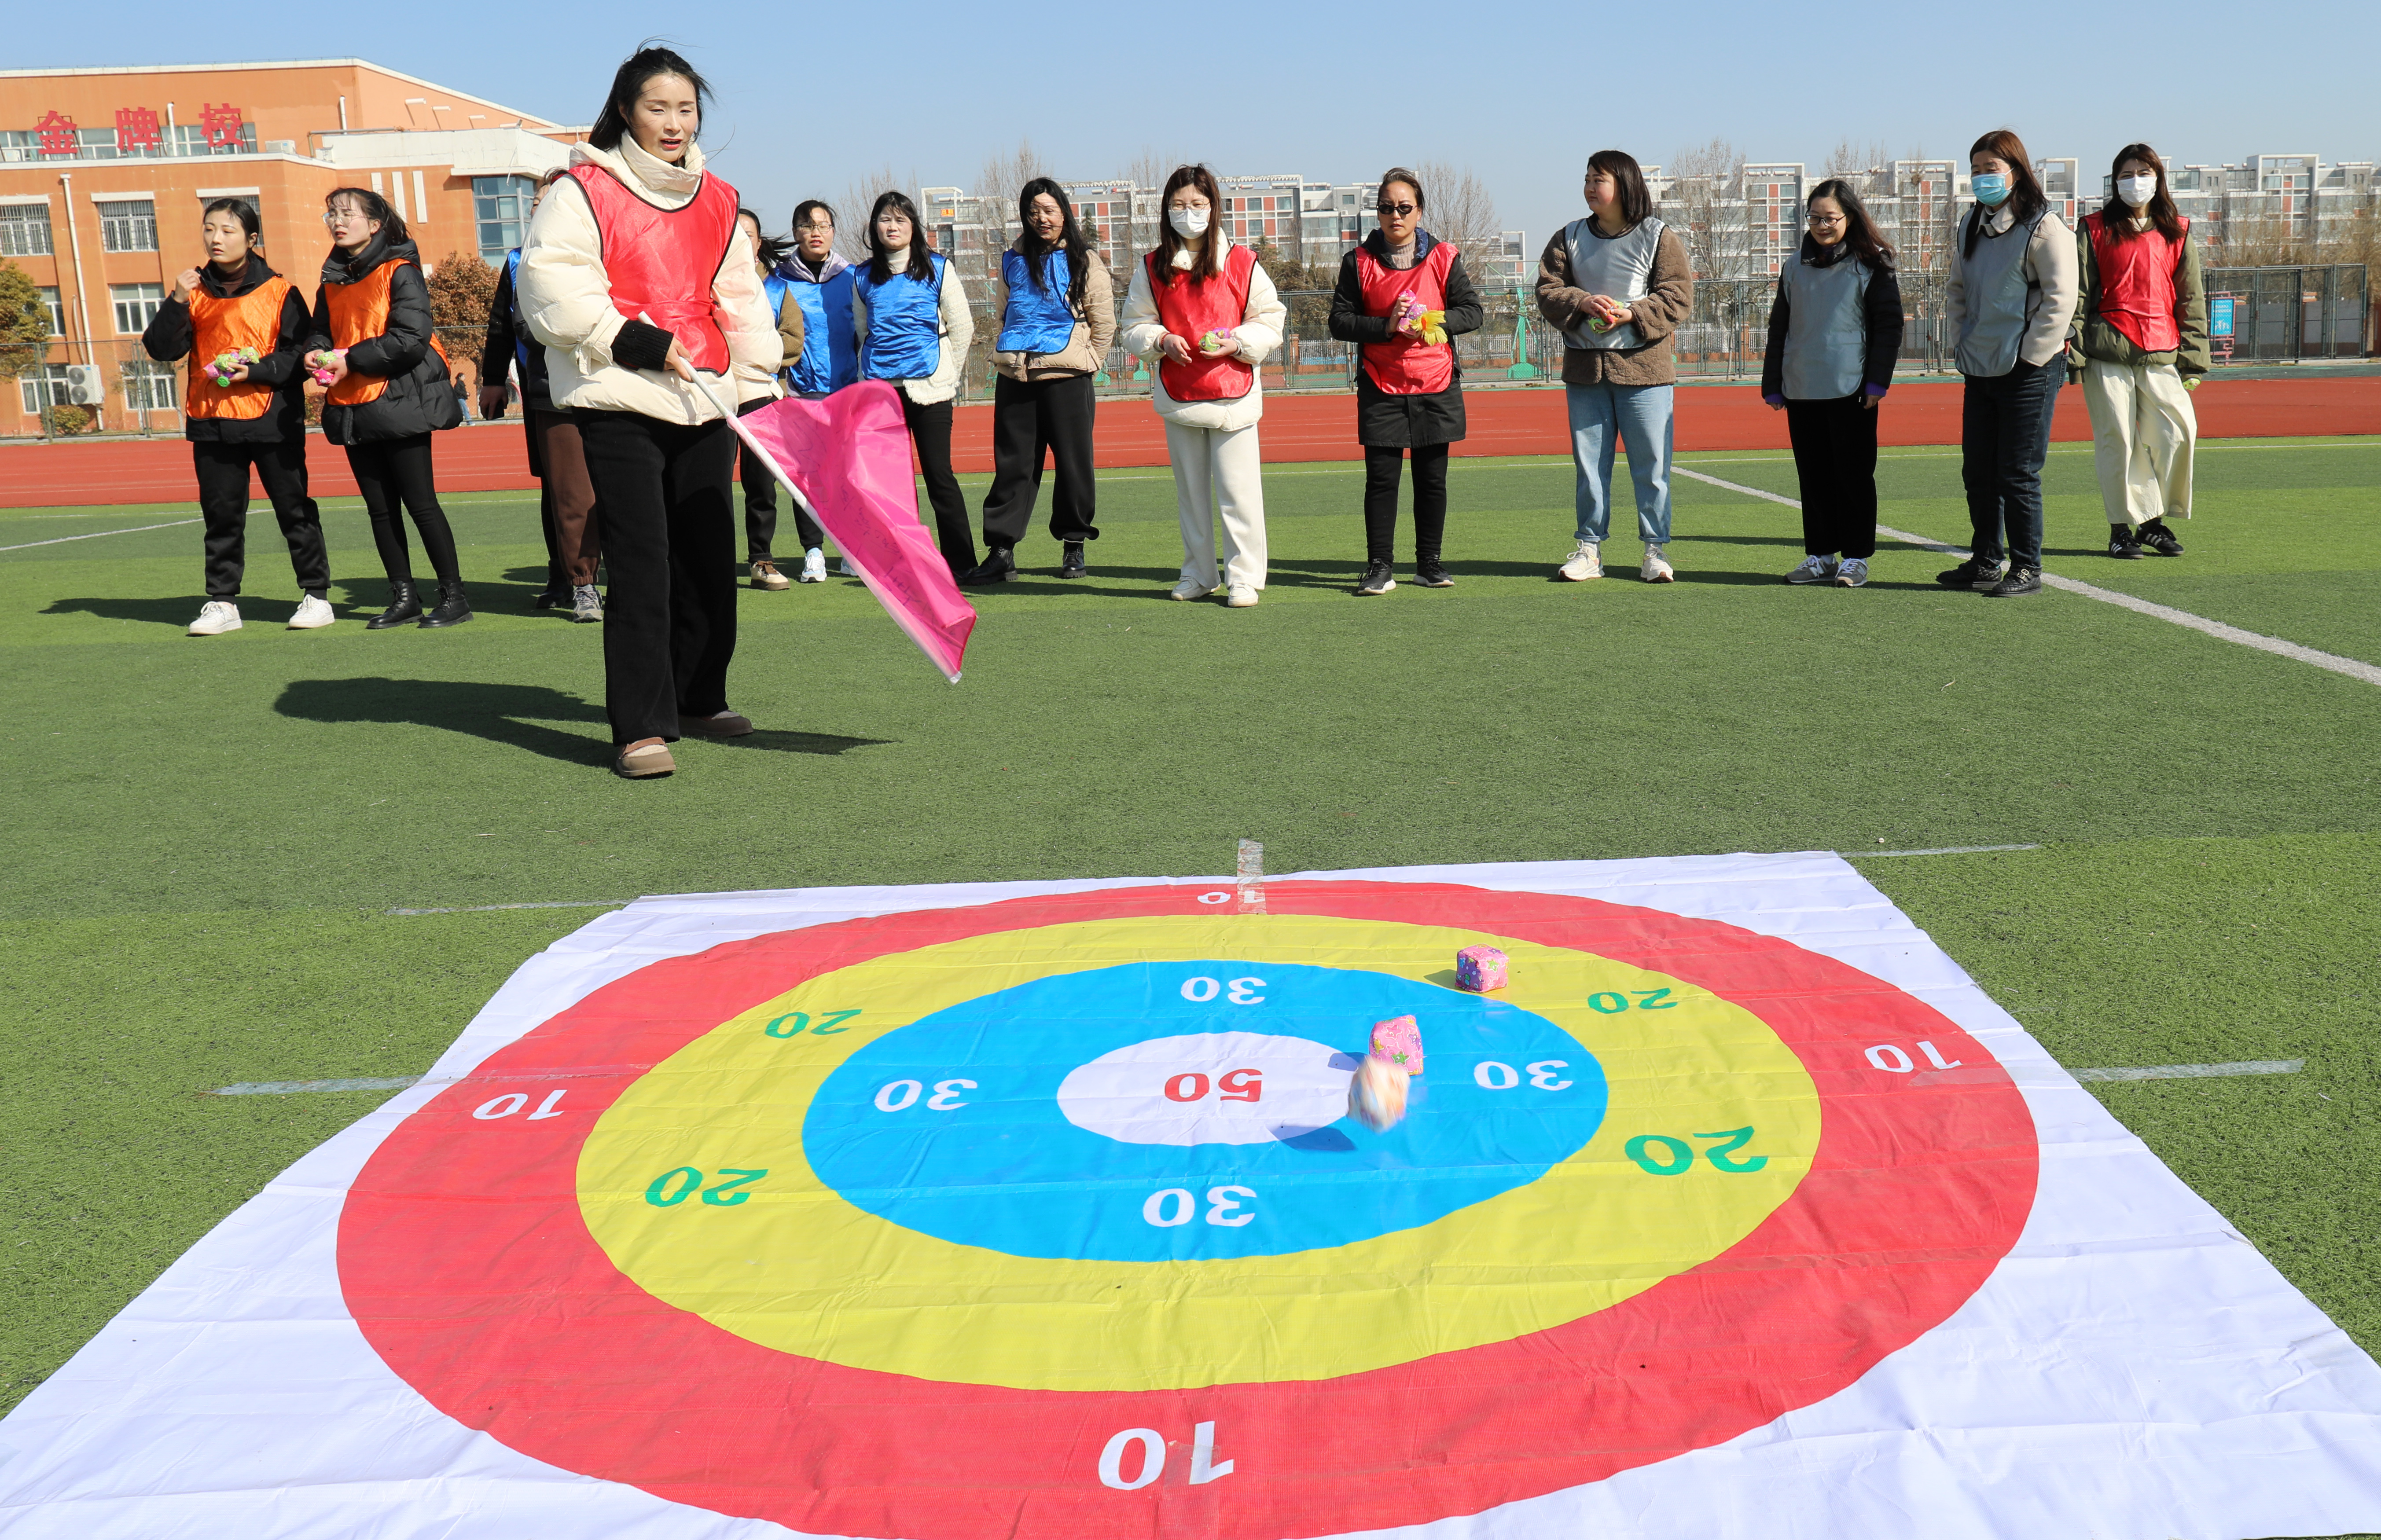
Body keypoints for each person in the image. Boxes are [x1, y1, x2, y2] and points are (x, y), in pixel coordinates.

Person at [518, 44, 781, 778]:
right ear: (626, 112)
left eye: (686, 109)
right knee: (641, 560)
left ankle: (699, 697)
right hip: (618, 395)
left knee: (706, 555)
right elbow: (552, 291)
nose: (674, 123)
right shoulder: (582, 190)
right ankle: (639, 725)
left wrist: (759, 387)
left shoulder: (720, 199)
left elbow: (741, 301)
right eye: (657, 107)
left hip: (703, 397)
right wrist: (632, 341)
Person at [142, 197, 332, 636]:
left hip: (271, 418)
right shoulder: (193, 291)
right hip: (211, 420)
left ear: (251, 239)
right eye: (209, 229)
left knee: (294, 508)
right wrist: (177, 299)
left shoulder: (280, 291)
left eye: (227, 230)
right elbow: (162, 349)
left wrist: (258, 371)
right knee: (221, 514)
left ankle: (316, 595)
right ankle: (222, 601)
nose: (216, 239)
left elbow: (299, 353)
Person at [1118, 164, 1287, 607]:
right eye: (1178, 205)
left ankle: (1244, 576)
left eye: (1196, 204)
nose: (1187, 212)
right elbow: (1133, 324)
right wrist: (1160, 339)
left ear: (1213, 208)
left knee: (1239, 491)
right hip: (1180, 393)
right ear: (1165, 211)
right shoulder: (1152, 266)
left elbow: (1270, 319)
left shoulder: (1241, 262)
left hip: (1233, 391)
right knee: (1190, 494)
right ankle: (1197, 572)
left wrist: (1237, 341)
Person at [305, 187, 468, 628]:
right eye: (331, 216)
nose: (337, 222)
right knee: (380, 509)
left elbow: (410, 339)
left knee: (421, 504)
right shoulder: (333, 279)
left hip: (399, 401)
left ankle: (453, 597)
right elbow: (321, 330)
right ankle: (404, 596)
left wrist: (349, 359)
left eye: (347, 215)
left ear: (375, 225)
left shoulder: (401, 271)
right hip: (353, 404)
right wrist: (316, 352)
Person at [1534, 150, 1694, 584]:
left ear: (1624, 184)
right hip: (1586, 373)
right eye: (1586, 178)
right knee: (1589, 468)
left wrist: (1633, 314)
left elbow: (1678, 296)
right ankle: (1589, 549)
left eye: (1598, 179)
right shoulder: (1566, 236)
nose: (1589, 186)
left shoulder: (1658, 236)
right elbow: (1548, 290)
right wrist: (1581, 301)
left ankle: (1654, 550)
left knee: (1652, 465)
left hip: (1646, 374)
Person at [1327, 165, 1483, 596]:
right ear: (1376, 214)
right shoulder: (1356, 263)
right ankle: (1380, 567)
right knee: (1381, 480)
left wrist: (1437, 320)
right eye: (1385, 208)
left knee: (1432, 480)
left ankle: (1429, 563)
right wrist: (1386, 326)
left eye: (1404, 207)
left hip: (1436, 382)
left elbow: (1473, 312)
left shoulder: (1445, 257)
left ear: (1419, 212)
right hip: (1381, 383)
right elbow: (1339, 322)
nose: (1395, 215)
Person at [1939, 128, 2079, 598]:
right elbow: (1958, 291)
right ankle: (1984, 561)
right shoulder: (1968, 224)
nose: (1982, 178)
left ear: (2016, 173)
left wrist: (2030, 356)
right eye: (1976, 170)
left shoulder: (2043, 226)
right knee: (1977, 470)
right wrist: (1961, 344)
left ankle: (2026, 566)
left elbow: (2060, 300)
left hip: (2028, 370)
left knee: (2016, 472)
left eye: (1991, 169)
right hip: (1979, 366)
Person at [962, 177, 1115, 584]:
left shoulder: (1086, 260)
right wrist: (1010, 355)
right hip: (1016, 376)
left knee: (1073, 465)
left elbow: (1104, 322)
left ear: (1063, 212)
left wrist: (1088, 361)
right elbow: (1001, 314)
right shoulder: (1011, 260)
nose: (1041, 218)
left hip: (1067, 377)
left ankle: (1074, 546)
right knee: (1012, 466)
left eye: (1049, 210)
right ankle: (1001, 551)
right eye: (1033, 212)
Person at [1760, 177, 1905, 589]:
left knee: (1854, 475)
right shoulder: (1794, 267)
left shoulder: (1873, 263)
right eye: (1814, 218)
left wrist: (1877, 383)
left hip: (1853, 388)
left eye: (1830, 218)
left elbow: (1889, 326)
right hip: (1802, 385)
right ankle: (1821, 555)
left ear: (1850, 217)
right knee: (1814, 475)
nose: (1822, 225)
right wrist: (1773, 383)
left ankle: (1856, 557)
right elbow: (1779, 328)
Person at [479, 168, 603, 623]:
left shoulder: (602, 254)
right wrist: (493, 380)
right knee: (565, 490)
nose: (541, 207)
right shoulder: (517, 262)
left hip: (608, 388)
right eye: (538, 201)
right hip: (548, 392)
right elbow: (499, 326)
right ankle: (578, 580)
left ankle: (611, 576)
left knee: (615, 488)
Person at [2072, 143, 2205, 560]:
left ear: (2158, 178)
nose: (2135, 182)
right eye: (2126, 174)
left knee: (2178, 431)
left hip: (2161, 351)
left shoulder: (2177, 230)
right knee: (2118, 441)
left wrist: (2194, 360)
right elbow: (2079, 293)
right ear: (2115, 182)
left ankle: (2152, 518)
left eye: (2143, 173)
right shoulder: (2094, 228)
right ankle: (2124, 529)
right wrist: (2073, 352)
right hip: (2106, 350)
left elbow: (2191, 298)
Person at [852, 191, 977, 579]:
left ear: (913, 227)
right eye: (885, 220)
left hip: (930, 390)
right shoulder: (861, 276)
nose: (892, 227)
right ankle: (898, 561)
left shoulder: (939, 268)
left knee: (940, 477)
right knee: (889, 484)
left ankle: (962, 563)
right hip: (880, 393)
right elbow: (862, 332)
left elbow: (963, 328)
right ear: (874, 227)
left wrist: (947, 375)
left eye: (901, 220)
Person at [775, 198, 850, 582]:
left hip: (848, 393)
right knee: (806, 477)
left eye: (823, 225)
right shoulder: (778, 282)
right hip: (800, 394)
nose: (816, 232)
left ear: (834, 231)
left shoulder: (852, 277)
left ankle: (850, 548)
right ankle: (814, 551)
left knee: (847, 474)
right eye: (807, 226)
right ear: (795, 233)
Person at [733, 207, 807, 591]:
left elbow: (794, 338)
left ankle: (761, 559)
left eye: (749, 235)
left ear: (759, 244)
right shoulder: (710, 283)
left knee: (761, 484)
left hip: (761, 393)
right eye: (736, 234)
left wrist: (756, 355)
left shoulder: (777, 289)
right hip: (717, 394)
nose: (742, 241)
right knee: (706, 481)